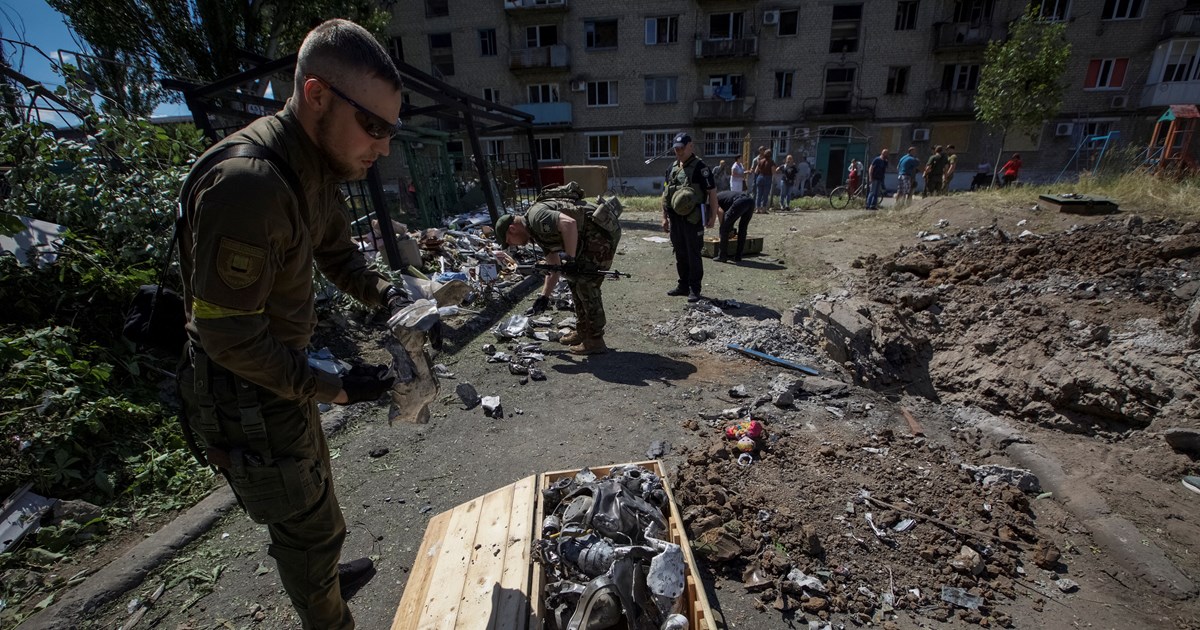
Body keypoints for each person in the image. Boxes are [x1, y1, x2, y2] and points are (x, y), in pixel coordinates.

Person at [176, 19, 409, 629]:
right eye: (374, 126)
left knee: (316, 502)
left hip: (279, 375)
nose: (382, 147)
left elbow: (336, 251)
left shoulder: (311, 165)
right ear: (317, 96)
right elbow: (228, 336)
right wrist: (332, 387)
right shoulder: (249, 184)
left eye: (391, 130)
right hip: (247, 390)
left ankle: (324, 580)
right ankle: (326, 612)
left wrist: (390, 299)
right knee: (303, 523)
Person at [493, 193, 620, 355]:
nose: (512, 246)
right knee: (574, 278)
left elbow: (569, 223)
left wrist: (570, 258)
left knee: (586, 283)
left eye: (509, 241)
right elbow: (554, 265)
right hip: (589, 236)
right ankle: (583, 331)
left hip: (601, 232)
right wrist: (544, 297)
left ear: (512, 229)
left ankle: (595, 340)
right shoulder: (534, 231)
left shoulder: (536, 217)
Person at [661, 132, 718, 303]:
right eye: (676, 149)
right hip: (675, 219)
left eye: (681, 148)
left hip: (693, 220)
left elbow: (712, 193)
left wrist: (713, 216)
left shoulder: (701, 168)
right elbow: (665, 194)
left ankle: (695, 288)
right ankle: (683, 285)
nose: (678, 152)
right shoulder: (671, 168)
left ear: (690, 146)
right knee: (680, 252)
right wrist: (664, 217)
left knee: (693, 253)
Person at [715, 190, 754, 263]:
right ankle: (738, 256)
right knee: (743, 228)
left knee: (724, 228)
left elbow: (720, 212)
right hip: (750, 200)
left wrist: (725, 227)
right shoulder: (723, 196)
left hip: (740, 201)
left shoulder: (714, 199)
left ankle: (722, 256)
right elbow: (730, 216)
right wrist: (730, 228)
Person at [751, 146, 775, 213]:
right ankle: (764, 209)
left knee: (758, 194)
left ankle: (757, 208)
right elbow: (773, 172)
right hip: (767, 178)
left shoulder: (760, 161)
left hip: (760, 177)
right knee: (765, 194)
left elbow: (756, 171)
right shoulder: (771, 162)